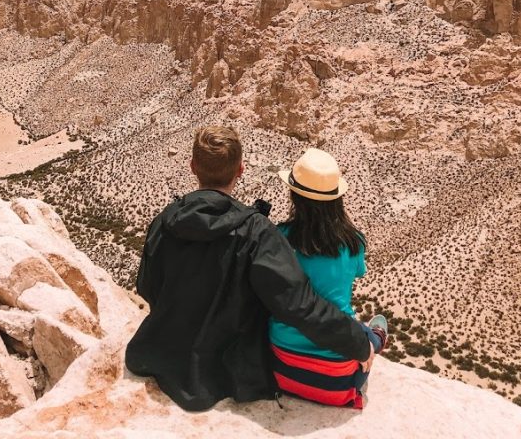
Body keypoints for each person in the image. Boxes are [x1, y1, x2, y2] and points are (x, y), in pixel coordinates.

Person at [125, 126, 374, 412]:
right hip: (222, 366)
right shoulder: (256, 232)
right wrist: (356, 340)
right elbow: (297, 304)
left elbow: (146, 285)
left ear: (193, 167)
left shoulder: (165, 220)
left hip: (159, 348)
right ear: (241, 169)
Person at [269, 147, 388, 409]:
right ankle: (377, 338)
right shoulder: (353, 242)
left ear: (294, 196)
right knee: (355, 322)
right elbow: (354, 276)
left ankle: (373, 335)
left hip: (281, 366)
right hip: (337, 379)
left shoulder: (278, 238)